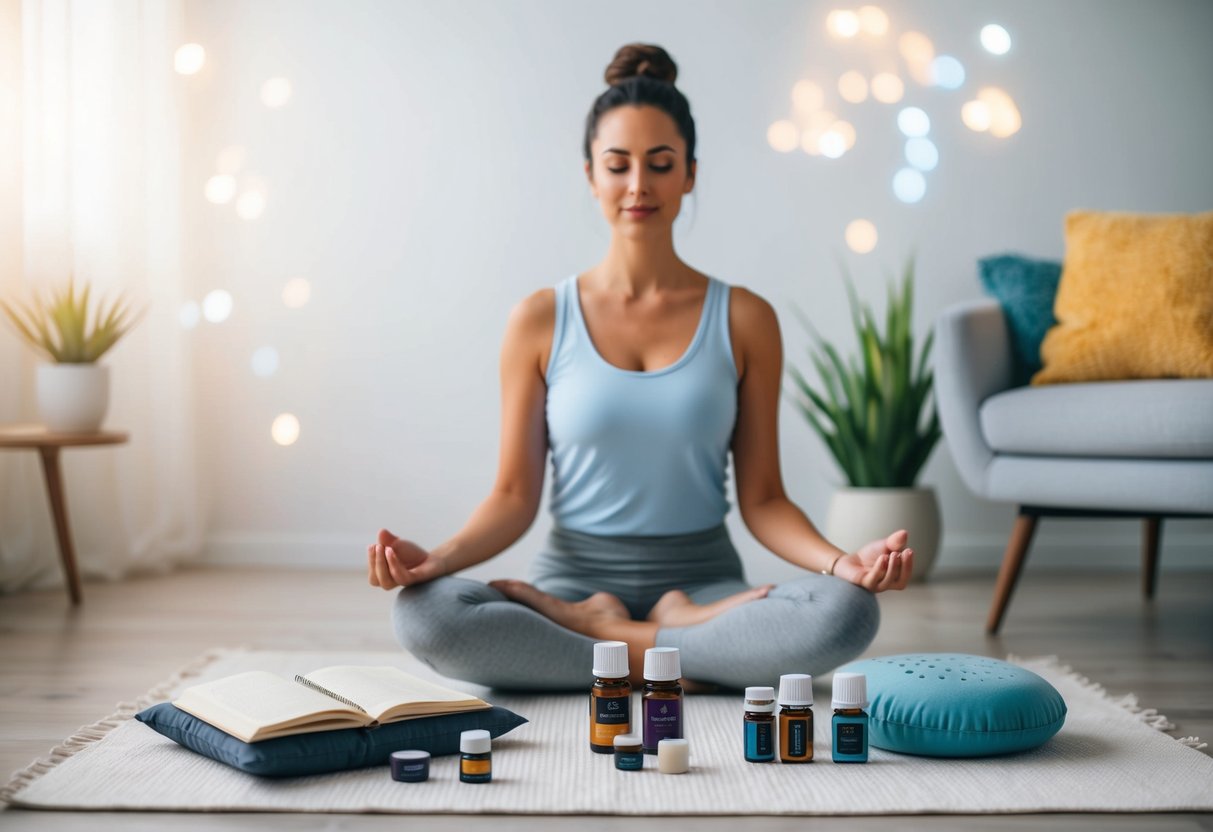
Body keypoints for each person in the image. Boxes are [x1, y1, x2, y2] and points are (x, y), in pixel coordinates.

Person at [367, 43, 913, 691]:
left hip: (705, 580)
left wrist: (839, 562)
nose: (637, 187)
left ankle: (598, 639)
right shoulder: (539, 319)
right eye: (617, 165)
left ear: (689, 175)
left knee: (845, 612)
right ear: (589, 175)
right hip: (572, 578)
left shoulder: (745, 318)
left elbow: (763, 499)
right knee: (426, 618)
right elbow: (513, 497)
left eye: (660, 164)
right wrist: (435, 560)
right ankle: (675, 649)